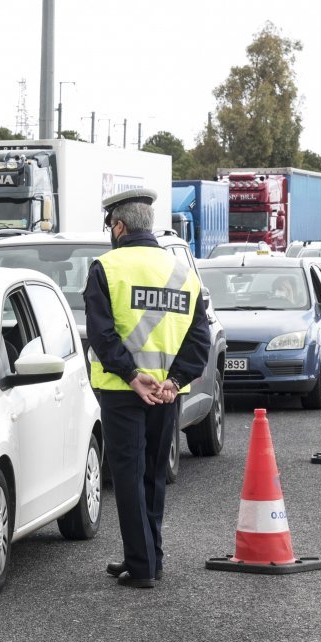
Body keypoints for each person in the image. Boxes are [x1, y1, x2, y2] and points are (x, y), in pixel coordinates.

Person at [83, 189, 211, 589]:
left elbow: (102, 337)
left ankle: (140, 565)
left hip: (124, 391)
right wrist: (174, 382)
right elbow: (200, 342)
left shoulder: (106, 267)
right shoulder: (183, 273)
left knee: (127, 475)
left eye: (110, 225)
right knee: (154, 476)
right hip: (167, 394)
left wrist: (131, 376)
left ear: (119, 226)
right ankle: (150, 557)